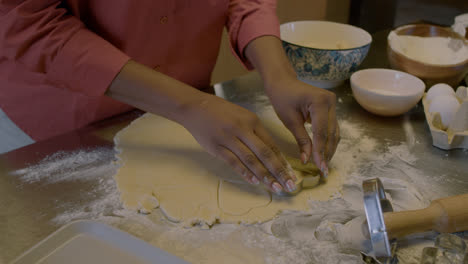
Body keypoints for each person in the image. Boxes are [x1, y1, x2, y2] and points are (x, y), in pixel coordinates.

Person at [0, 0, 339, 194]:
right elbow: (33, 22)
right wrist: (194, 105)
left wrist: (279, 76)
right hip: (57, 126)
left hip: (187, 121)